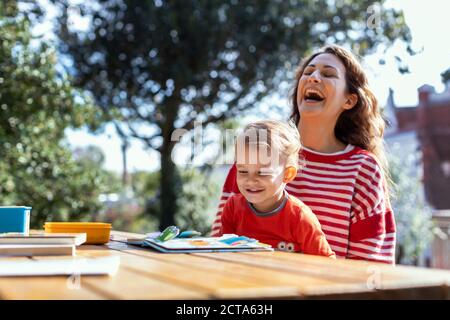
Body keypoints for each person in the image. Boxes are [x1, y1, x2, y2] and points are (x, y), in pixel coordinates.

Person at [211, 45, 396, 264]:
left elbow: (371, 267)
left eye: (328, 74)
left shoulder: (363, 169)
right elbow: (218, 246)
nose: (313, 77)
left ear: (349, 100)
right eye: (307, 72)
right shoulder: (253, 155)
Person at [218, 120, 335, 258]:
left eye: (262, 172)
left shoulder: (299, 217)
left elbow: (325, 262)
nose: (250, 180)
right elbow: (222, 253)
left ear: (287, 174)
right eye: (243, 171)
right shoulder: (233, 208)